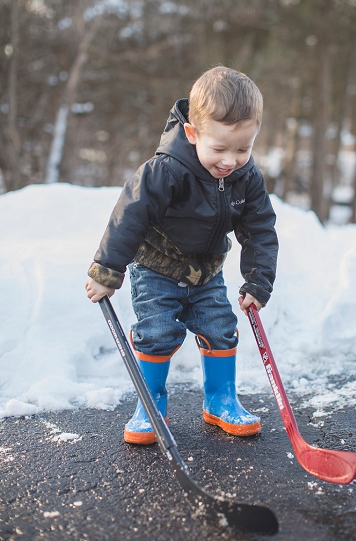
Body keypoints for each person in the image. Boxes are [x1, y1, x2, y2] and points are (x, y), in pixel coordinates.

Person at [85, 66, 278, 445]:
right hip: (156, 269)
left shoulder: (247, 178)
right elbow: (130, 216)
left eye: (244, 149)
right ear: (192, 133)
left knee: (220, 329)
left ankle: (221, 400)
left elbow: (259, 230)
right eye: (219, 149)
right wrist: (106, 270)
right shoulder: (165, 171)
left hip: (206, 272)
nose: (231, 160)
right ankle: (151, 405)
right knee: (157, 333)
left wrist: (258, 279)